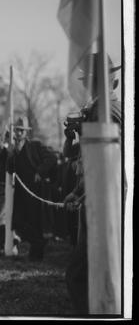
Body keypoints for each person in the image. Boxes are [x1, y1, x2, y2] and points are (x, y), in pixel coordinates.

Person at [63, 54, 122, 315]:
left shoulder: (105, 111)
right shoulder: (105, 109)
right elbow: (86, 160)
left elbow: (106, 164)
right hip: (97, 197)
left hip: (103, 199)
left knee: (80, 273)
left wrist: (80, 194)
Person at [6, 116, 57, 261]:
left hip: (35, 192)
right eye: (17, 130)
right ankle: (31, 247)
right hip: (21, 193)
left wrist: (40, 172)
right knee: (21, 222)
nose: (19, 133)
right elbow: (9, 170)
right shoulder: (13, 149)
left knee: (36, 223)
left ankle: (36, 255)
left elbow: (52, 158)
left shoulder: (35, 146)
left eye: (21, 130)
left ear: (26, 132)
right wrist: (10, 154)